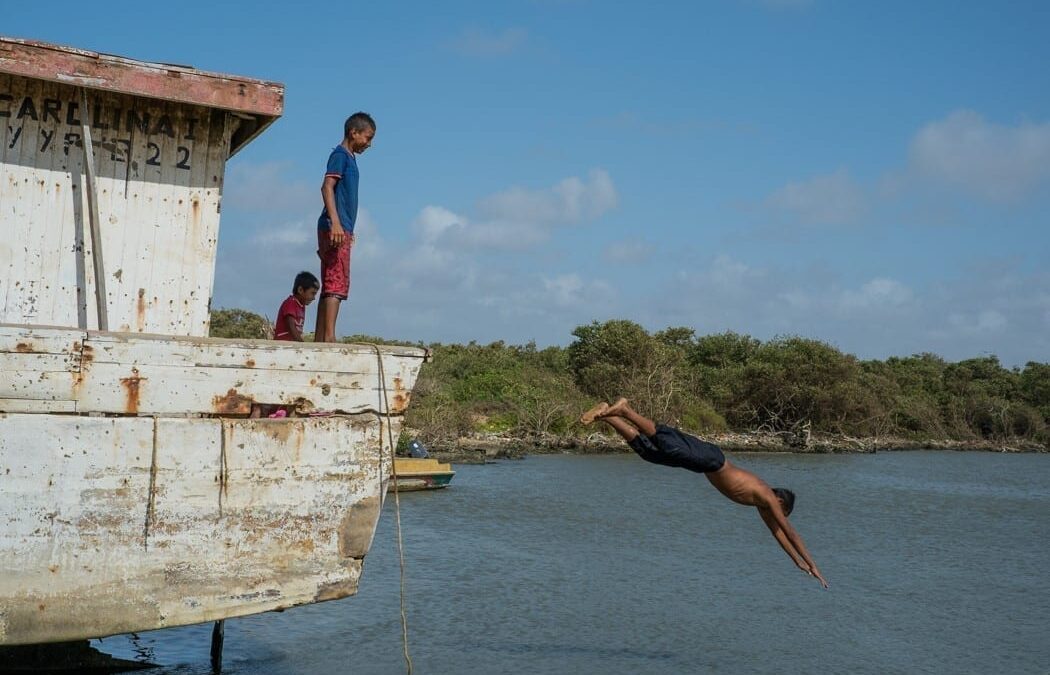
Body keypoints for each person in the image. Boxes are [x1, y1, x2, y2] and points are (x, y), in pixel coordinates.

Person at [581, 397, 829, 588]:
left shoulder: (761, 506)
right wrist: (814, 565)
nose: (779, 516)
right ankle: (625, 409)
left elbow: (779, 536)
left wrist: (798, 562)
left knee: (650, 454)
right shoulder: (766, 495)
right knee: (666, 442)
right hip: (712, 460)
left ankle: (608, 415)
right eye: (782, 512)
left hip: (704, 466)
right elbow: (790, 533)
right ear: (779, 500)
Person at [314, 112, 376, 342]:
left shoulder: (350, 157)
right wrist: (337, 224)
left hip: (342, 227)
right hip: (335, 226)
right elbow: (327, 187)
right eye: (367, 138)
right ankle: (329, 338)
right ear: (354, 133)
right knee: (336, 282)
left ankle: (321, 338)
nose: (369, 144)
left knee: (332, 280)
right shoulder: (340, 155)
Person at [274, 271, 320, 341]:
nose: (314, 298)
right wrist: (300, 343)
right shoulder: (291, 303)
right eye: (312, 293)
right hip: (283, 342)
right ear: (300, 290)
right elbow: (291, 326)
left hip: (292, 342)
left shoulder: (301, 306)